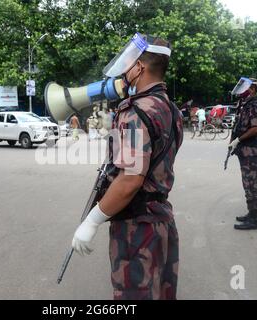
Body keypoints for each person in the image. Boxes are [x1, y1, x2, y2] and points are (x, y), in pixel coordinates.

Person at [71, 33, 182, 300]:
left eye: (130, 63)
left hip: (137, 228)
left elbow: (130, 179)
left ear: (140, 68)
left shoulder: (135, 111)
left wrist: (93, 220)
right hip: (162, 221)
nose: (125, 71)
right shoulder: (171, 109)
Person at [229, 78, 257, 230]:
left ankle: (255, 219)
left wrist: (239, 139)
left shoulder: (254, 105)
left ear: (252, 90)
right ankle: (251, 213)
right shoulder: (246, 105)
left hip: (250, 150)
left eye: (244, 88)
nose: (241, 90)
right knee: (247, 183)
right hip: (245, 151)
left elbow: (256, 127)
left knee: (251, 184)